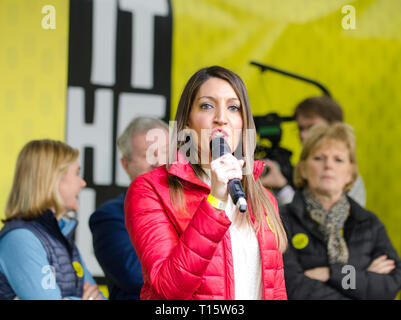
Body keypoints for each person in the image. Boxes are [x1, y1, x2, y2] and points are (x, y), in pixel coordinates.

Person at [124, 65, 288, 300]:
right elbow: (168, 289)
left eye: (233, 107)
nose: (221, 118)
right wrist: (215, 200)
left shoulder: (262, 197)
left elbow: (275, 291)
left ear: (243, 124)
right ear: (187, 123)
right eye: (207, 106)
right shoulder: (150, 189)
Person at [281, 123, 401, 299]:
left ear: (350, 174)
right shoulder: (282, 219)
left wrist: (332, 274)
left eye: (338, 159)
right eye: (319, 158)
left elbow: (391, 284)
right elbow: (291, 286)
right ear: (303, 169)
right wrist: (361, 278)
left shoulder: (368, 223)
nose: (329, 165)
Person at [0, 139, 105, 300]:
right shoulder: (20, 238)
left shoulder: (60, 234)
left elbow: (98, 296)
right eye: (77, 173)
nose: (83, 183)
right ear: (53, 178)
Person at [89, 116, 169, 300]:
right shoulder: (109, 218)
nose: (158, 162)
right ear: (125, 164)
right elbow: (135, 276)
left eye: (164, 152)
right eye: (147, 154)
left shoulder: (194, 207)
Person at [261, 95, 366, 207]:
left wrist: (282, 189)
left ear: (334, 128)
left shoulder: (346, 177)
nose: (303, 135)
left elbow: (326, 222)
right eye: (300, 128)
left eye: (312, 127)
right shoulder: (302, 169)